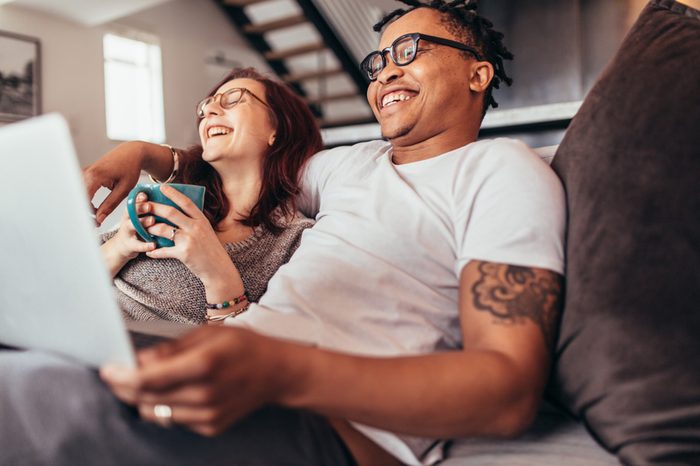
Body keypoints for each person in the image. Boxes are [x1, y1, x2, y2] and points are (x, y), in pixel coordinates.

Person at [0, 1, 566, 465]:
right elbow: (242, 166)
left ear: (478, 72)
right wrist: (141, 153)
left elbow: (509, 393)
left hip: (331, 426)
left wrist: (281, 370)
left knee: (37, 398)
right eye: (378, 60)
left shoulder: (503, 171)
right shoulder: (347, 166)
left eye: (410, 51)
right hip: (237, 369)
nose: (387, 70)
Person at [98, 67, 320, 325]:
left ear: (278, 128)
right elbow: (66, 285)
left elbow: (257, 355)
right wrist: (121, 246)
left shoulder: (295, 240)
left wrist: (216, 273)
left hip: (140, 356)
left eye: (234, 99)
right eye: (207, 107)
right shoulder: (174, 198)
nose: (209, 112)